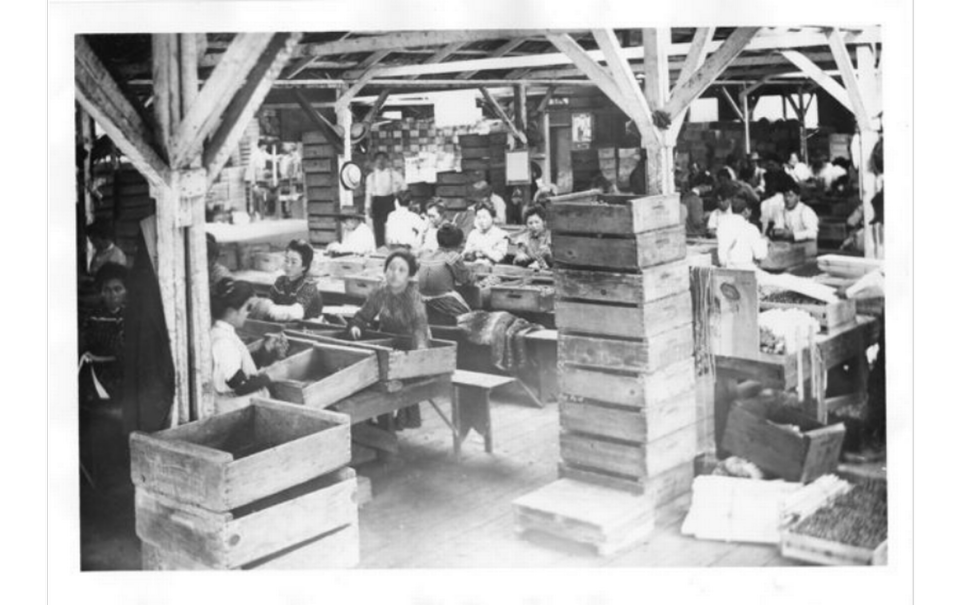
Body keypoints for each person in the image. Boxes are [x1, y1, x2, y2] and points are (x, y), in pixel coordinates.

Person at [348, 249, 431, 429]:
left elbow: (419, 327)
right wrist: (357, 326)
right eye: (391, 268)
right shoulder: (380, 292)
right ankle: (369, 420)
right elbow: (364, 315)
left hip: (410, 346)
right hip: (388, 343)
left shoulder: (413, 297)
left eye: (402, 270)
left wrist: (420, 350)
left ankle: (392, 424)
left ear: (409, 276)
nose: (394, 274)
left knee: (392, 380)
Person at [210, 280, 280, 413]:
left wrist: (263, 352)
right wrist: (271, 376)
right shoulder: (223, 342)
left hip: (240, 407)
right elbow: (239, 386)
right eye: (248, 308)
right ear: (231, 311)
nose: (249, 313)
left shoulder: (223, 333)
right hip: (234, 411)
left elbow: (237, 369)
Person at [79, 263, 129, 403]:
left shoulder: (130, 317)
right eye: (107, 290)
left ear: (126, 291)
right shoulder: (93, 316)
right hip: (93, 370)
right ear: (101, 292)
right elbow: (85, 342)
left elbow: (125, 353)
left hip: (120, 373)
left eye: (117, 289)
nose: (112, 294)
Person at [418, 224, 474, 325]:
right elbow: (466, 281)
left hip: (421, 302)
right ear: (459, 243)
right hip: (444, 303)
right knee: (470, 321)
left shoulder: (425, 255)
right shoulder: (452, 256)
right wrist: (474, 277)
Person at [254, 239, 323, 320]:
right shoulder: (280, 281)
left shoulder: (309, 286)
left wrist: (268, 309)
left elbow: (296, 312)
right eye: (286, 260)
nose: (288, 265)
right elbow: (269, 301)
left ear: (304, 266)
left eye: (293, 262)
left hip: (309, 328)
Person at [365, 151, 407, 247]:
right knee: (378, 229)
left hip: (390, 201)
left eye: (383, 159)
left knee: (392, 227)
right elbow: (368, 194)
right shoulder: (371, 177)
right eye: (378, 159)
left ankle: (392, 247)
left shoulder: (395, 175)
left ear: (388, 161)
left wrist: (398, 194)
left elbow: (404, 188)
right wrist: (367, 208)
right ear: (374, 162)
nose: (381, 161)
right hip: (377, 203)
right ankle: (380, 248)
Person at [716, 196, 769, 269]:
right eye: (750, 210)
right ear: (746, 211)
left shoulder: (722, 224)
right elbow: (760, 255)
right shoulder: (751, 228)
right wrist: (764, 242)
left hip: (726, 269)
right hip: (745, 270)